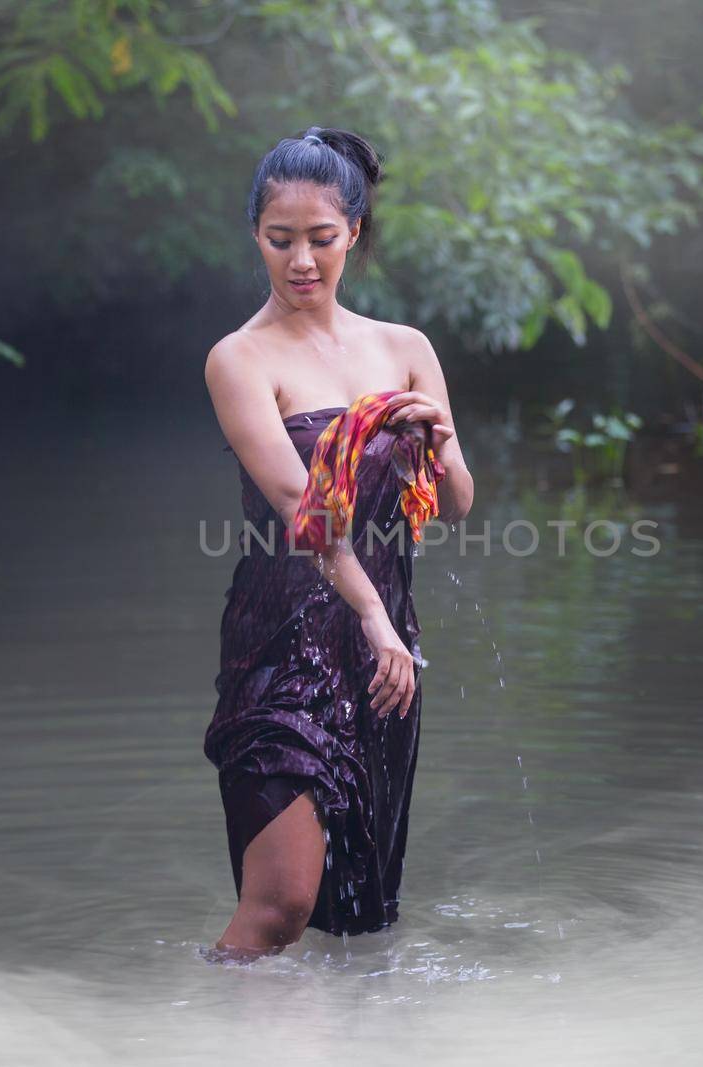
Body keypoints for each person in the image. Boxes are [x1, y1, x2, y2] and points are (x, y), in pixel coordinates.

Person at [201, 126, 475, 961]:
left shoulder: (405, 350)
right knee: (279, 905)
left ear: (354, 231)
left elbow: (456, 503)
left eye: (322, 239)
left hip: (381, 656)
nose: (302, 261)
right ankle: (184, 1037)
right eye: (280, 240)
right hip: (284, 645)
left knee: (357, 917)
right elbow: (299, 508)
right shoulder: (240, 359)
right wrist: (373, 619)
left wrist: (436, 437)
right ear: (256, 233)